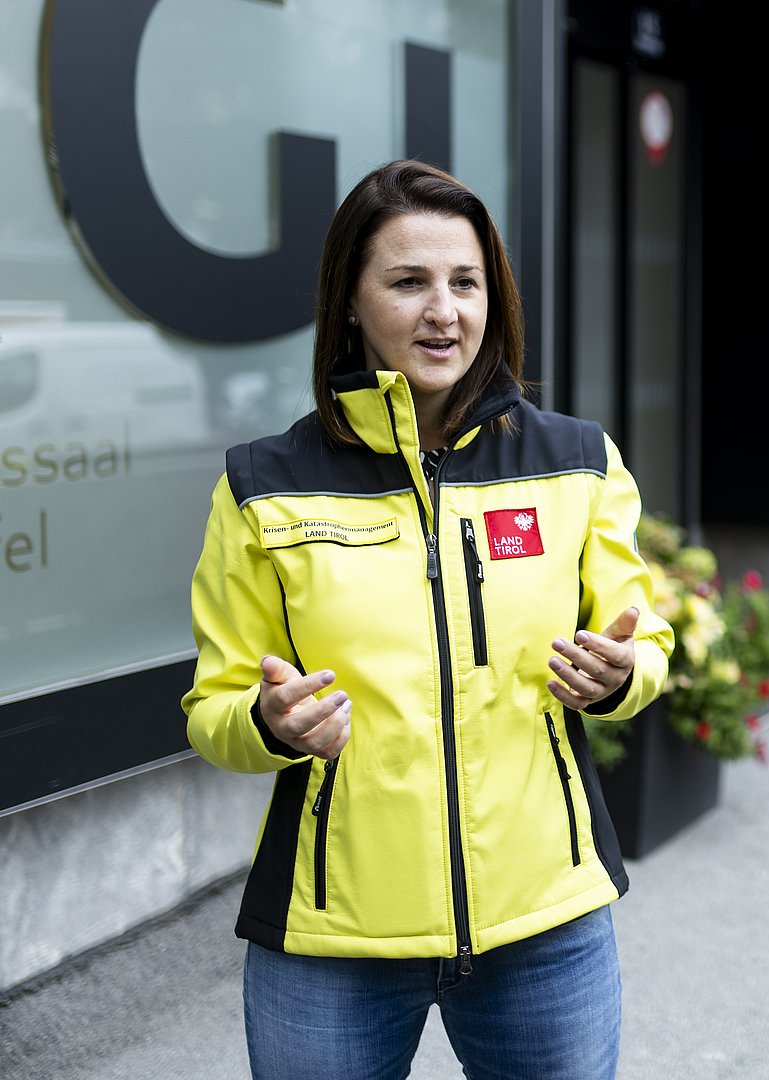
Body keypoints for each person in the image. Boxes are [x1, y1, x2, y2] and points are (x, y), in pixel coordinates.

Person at [182, 160, 674, 1080]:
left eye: (465, 282)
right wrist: (268, 723)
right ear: (351, 300)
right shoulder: (263, 485)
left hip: (546, 923)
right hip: (333, 936)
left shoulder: (576, 462)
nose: (443, 312)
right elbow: (215, 709)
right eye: (408, 282)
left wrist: (621, 677)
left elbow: (641, 639)